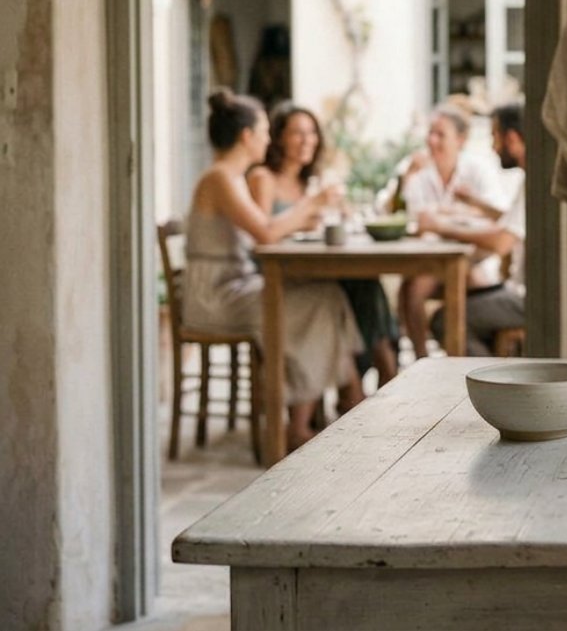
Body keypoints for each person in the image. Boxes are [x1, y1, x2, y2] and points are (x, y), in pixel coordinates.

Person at [184, 89, 365, 451]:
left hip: (236, 285)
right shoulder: (220, 178)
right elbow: (265, 233)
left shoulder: (233, 178)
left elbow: (265, 229)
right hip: (217, 295)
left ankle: (329, 408)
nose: (269, 139)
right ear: (247, 136)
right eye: (266, 131)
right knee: (316, 303)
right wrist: (311, 203)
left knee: (328, 295)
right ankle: (316, 417)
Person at [247, 103, 401, 386]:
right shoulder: (263, 178)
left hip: (310, 268)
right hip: (279, 274)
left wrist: (338, 211)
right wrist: (312, 206)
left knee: (366, 284)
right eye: (298, 133)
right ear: (279, 137)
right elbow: (262, 233)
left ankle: (369, 376)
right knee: (357, 290)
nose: (308, 140)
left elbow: (308, 224)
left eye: (312, 133)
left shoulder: (307, 183)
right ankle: (378, 373)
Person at [417, 101, 526, 356]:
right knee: (448, 294)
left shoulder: (532, 179)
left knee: (445, 320)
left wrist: (440, 226)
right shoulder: (532, 177)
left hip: (526, 298)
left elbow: (502, 242)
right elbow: (513, 221)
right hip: (517, 288)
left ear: (511, 138)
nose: (492, 146)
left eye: (494, 137)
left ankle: (493, 385)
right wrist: (476, 203)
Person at [395, 103, 504, 358]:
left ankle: (453, 357)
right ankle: (421, 361)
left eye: (440, 134)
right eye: (430, 133)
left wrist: (446, 216)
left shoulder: (479, 169)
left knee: (413, 288)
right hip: (433, 258)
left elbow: (497, 216)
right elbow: (414, 219)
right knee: (410, 288)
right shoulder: (420, 174)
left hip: (477, 258)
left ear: (461, 140)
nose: (432, 141)